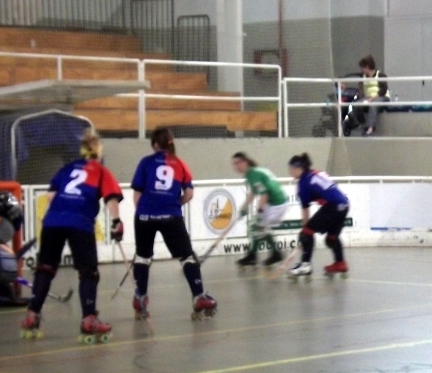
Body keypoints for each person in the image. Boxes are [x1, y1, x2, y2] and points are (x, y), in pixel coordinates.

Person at [20, 129, 124, 341]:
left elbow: (51, 196)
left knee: (45, 268)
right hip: (80, 222)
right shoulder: (101, 171)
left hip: (53, 220)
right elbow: (111, 198)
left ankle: (32, 315)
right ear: (98, 152)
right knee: (88, 272)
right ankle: (89, 319)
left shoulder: (66, 169)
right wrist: (116, 222)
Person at [130, 127, 217, 321]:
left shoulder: (145, 162)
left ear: (155, 144)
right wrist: (174, 204)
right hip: (171, 216)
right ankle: (199, 296)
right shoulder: (180, 164)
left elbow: (136, 196)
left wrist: (144, 212)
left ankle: (140, 300)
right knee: (187, 257)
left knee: (142, 257)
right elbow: (189, 194)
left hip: (144, 216)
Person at [287, 153, 350, 278]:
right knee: (331, 239)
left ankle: (305, 265)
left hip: (333, 206)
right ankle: (340, 263)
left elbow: (305, 210)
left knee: (306, 233)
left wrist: (304, 233)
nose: (290, 172)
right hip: (344, 205)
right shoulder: (316, 172)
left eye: (291, 169)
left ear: (299, 168)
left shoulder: (303, 183)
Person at [231, 152, 289, 268]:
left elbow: (264, 194)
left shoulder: (253, 175)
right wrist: (244, 208)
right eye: (234, 164)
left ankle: (257, 256)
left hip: (277, 203)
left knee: (256, 227)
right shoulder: (252, 173)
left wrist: (260, 211)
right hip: (274, 202)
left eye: (238, 163)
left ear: (245, 162)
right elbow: (253, 193)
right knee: (259, 227)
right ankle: (271, 254)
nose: (236, 166)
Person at [343, 54, 390, 137]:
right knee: (356, 105)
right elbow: (355, 79)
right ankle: (363, 124)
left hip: (381, 97)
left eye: (362, 68)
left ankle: (370, 129)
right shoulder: (363, 76)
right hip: (368, 97)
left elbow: (383, 90)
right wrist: (360, 90)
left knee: (373, 105)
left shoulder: (380, 75)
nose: (361, 70)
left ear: (367, 67)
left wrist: (372, 99)